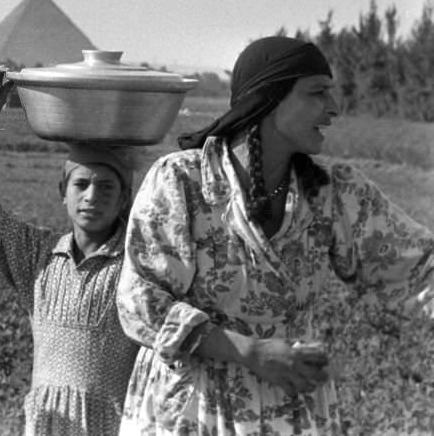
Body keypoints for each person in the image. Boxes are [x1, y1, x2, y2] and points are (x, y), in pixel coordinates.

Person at [116, 36, 434, 434]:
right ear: (268, 99)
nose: (333, 108)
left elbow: (421, 270)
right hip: (194, 406)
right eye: (317, 93)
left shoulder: (335, 194)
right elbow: (140, 301)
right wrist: (251, 352)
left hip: (291, 407)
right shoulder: (183, 181)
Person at [0, 66, 140, 435]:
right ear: (62, 192)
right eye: (81, 185)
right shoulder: (39, 255)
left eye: (107, 188)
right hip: (47, 423)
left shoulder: (136, 263)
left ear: (125, 198)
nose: (92, 197)